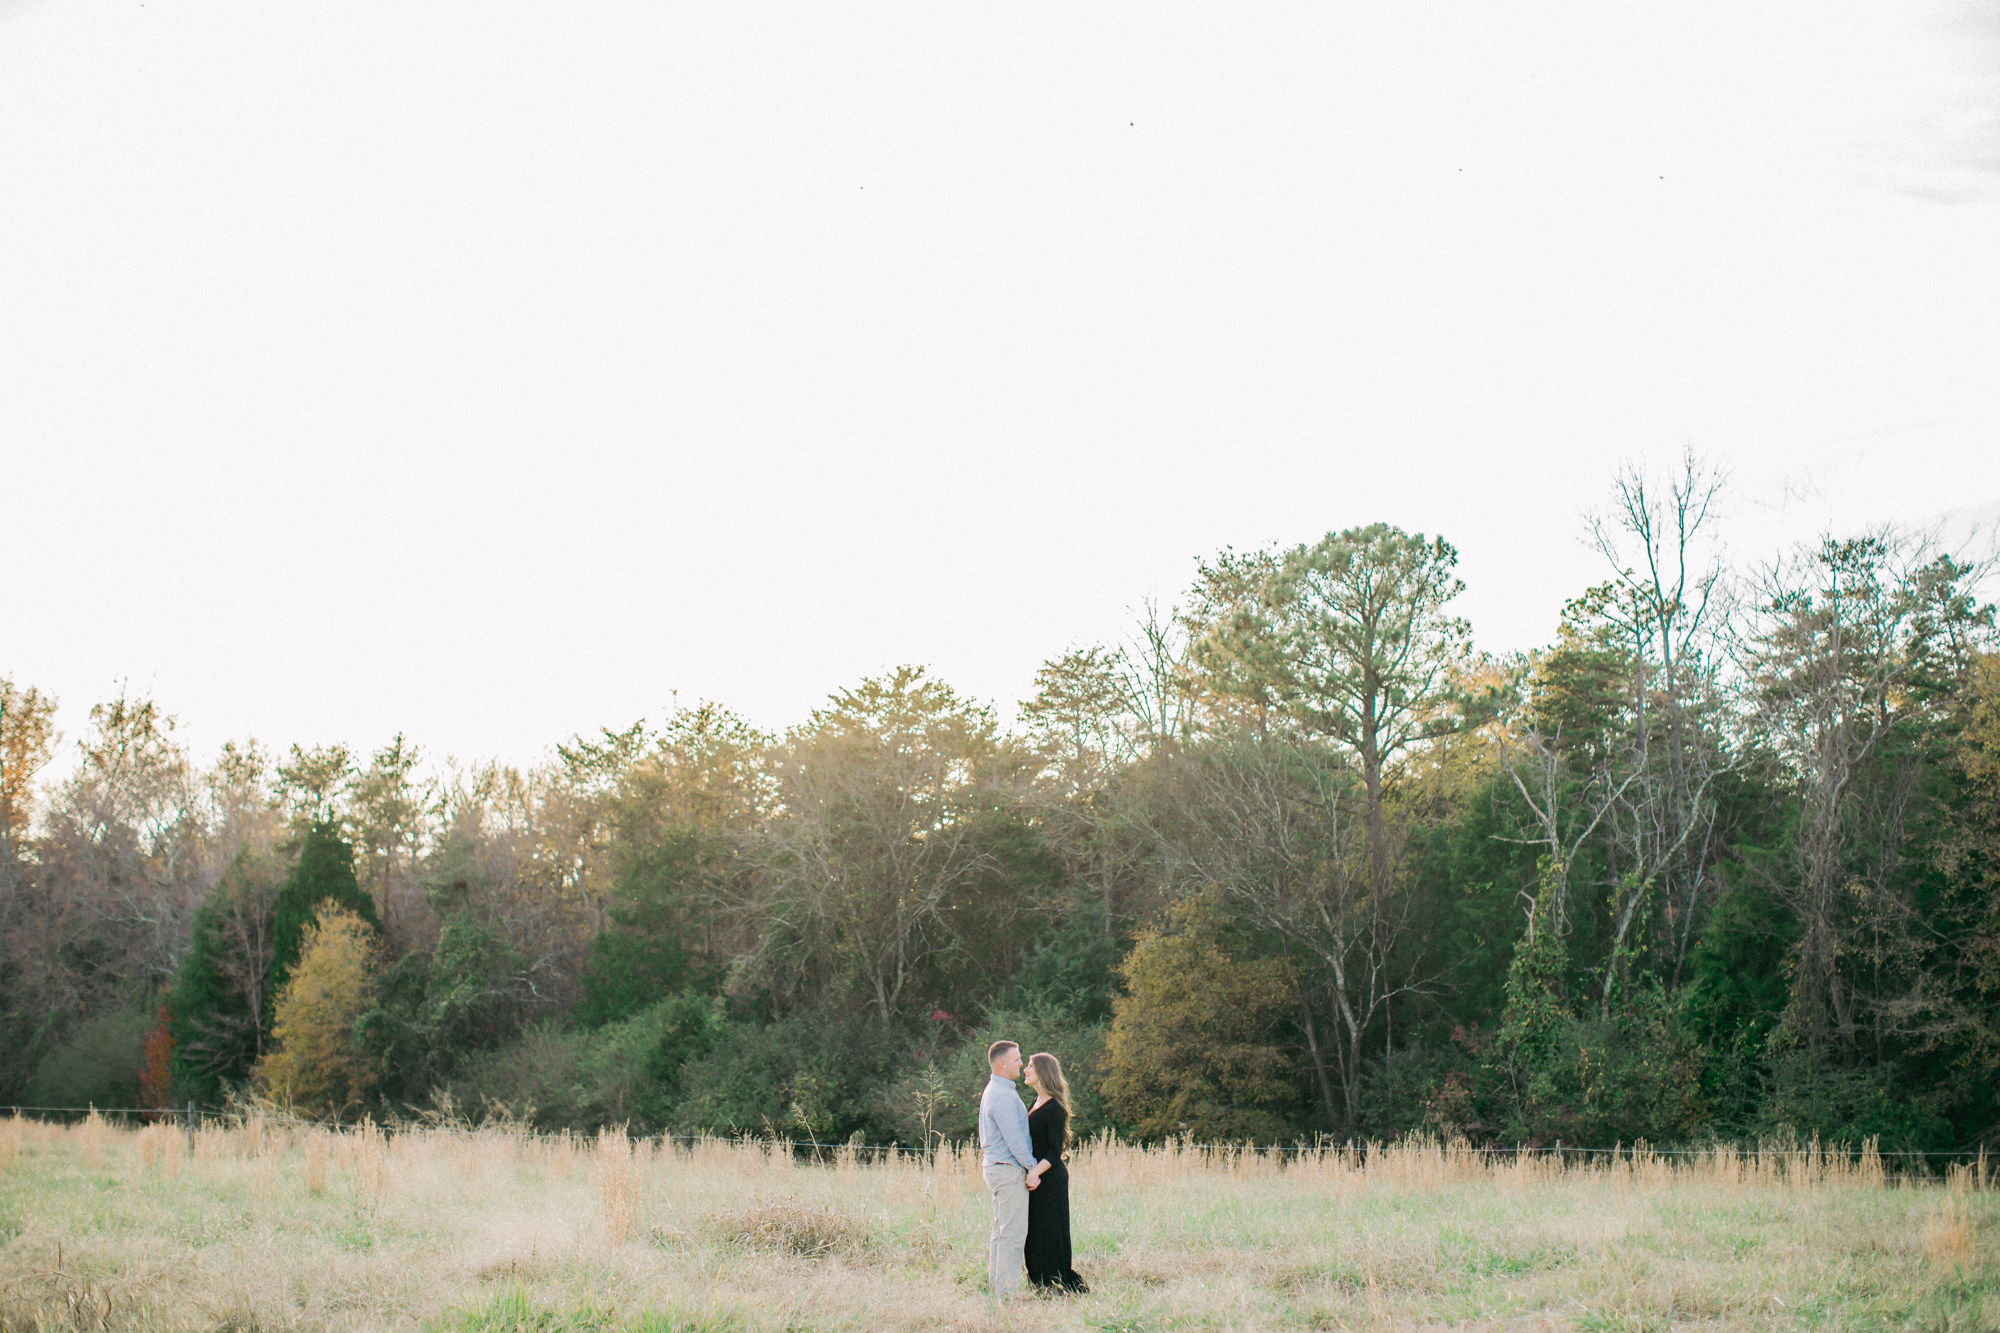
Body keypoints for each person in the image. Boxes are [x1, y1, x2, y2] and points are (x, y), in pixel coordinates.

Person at [1022, 1051, 1089, 1293]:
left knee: (1051, 1230)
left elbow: (1054, 1149)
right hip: (1037, 1178)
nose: (1025, 1070)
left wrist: (1035, 1173)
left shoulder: (1054, 1108)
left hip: (1050, 1179)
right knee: (1035, 1230)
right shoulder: (1036, 1102)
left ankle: (1056, 1282)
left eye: (1030, 1066)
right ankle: (1039, 1281)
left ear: (1042, 1071)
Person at [977, 1039, 1039, 1297]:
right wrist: (1032, 1167)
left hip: (998, 1168)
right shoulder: (1001, 1094)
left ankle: (998, 1289)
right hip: (1007, 1169)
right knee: (1013, 1234)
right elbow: (1014, 1138)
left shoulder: (999, 1090)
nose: (1021, 1063)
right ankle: (1008, 1294)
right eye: (1017, 1059)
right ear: (1002, 1064)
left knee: (1001, 1231)